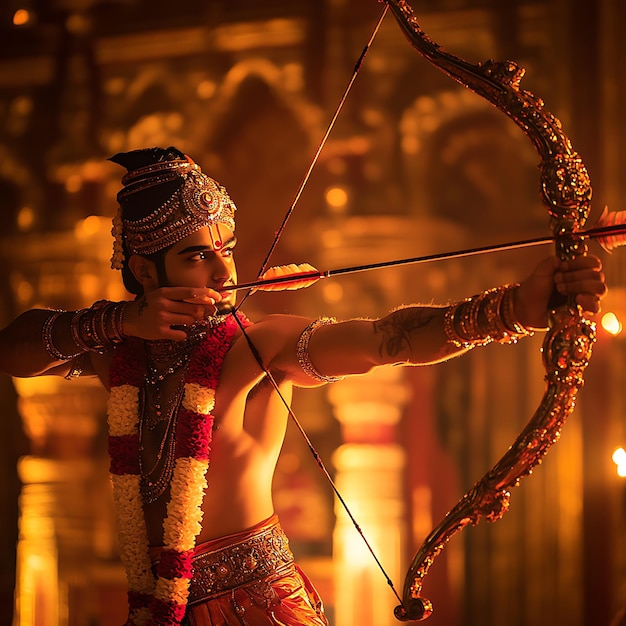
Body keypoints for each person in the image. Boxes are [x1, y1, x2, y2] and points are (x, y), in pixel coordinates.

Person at [0, 147, 607, 626]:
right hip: (156, 604)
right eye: (196, 257)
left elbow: (387, 339)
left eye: (227, 252)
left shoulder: (251, 345)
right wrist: (114, 320)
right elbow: (13, 349)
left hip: (255, 607)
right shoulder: (115, 353)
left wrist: (517, 309)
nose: (223, 272)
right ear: (142, 272)